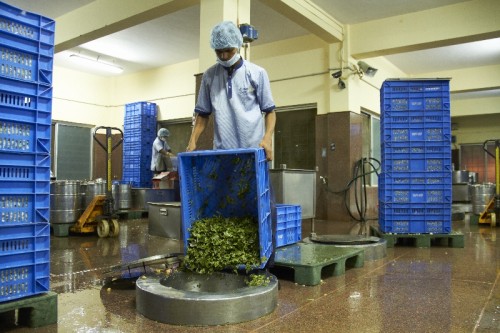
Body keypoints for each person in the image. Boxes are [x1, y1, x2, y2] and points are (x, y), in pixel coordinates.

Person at [186, 21, 276, 161]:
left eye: (228, 50)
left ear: (238, 45)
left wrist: (267, 138)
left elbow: (270, 111)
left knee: (252, 183)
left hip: (253, 150)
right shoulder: (209, 76)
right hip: (223, 152)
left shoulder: (256, 73)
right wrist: (192, 140)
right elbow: (203, 114)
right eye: (219, 51)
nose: (223, 56)